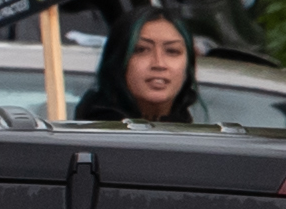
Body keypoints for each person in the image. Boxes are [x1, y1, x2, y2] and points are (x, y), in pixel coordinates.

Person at [75, 8, 205, 123]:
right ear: (117, 61)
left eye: (172, 51)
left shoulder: (198, 143)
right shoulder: (90, 140)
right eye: (141, 50)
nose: (159, 64)